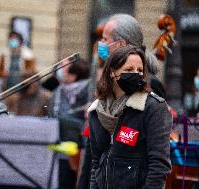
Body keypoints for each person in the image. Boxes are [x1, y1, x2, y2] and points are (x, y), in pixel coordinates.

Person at [88, 45, 172, 188]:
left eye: (140, 70)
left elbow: (159, 165)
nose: (136, 74)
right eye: (129, 70)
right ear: (112, 72)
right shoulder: (97, 110)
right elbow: (97, 162)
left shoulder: (153, 107)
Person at [78, 13, 145, 189]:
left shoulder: (146, 90)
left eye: (105, 39)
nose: (101, 43)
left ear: (121, 44)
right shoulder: (106, 82)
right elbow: (94, 160)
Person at [48, 58, 90, 189]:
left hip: (77, 149)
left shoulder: (87, 89)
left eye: (64, 67)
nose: (61, 70)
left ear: (75, 73)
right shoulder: (59, 90)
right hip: (58, 148)